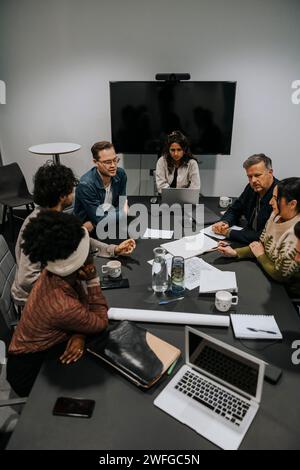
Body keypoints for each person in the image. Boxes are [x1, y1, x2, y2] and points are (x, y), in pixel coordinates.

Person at [7, 211, 109, 397]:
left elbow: (80, 306)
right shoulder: (62, 305)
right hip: (32, 371)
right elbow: (100, 321)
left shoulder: (51, 273)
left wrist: (79, 333)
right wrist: (93, 279)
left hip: (44, 348)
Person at [11, 162, 135, 305]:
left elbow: (81, 239)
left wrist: (113, 249)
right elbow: (27, 279)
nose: (73, 193)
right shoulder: (36, 226)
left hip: (51, 289)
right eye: (71, 190)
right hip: (32, 301)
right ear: (63, 196)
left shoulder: (55, 215)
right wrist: (69, 287)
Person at [217, 178, 300, 296]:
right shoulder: (275, 215)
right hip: (265, 272)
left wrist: (260, 255)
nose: (271, 202)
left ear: (292, 204)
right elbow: (259, 245)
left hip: (283, 291)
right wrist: (235, 252)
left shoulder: (296, 233)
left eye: (275, 199)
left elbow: (280, 275)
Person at [212, 154, 279, 244]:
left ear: (270, 173)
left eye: (257, 175)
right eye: (250, 176)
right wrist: (225, 222)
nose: (253, 180)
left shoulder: (280, 195)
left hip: (263, 246)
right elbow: (235, 209)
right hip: (246, 238)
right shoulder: (251, 188)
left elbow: (265, 235)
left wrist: (228, 232)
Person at [74, 141, 128, 225]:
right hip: (88, 228)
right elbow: (99, 219)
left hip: (111, 221)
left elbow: (121, 202)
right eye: (107, 162)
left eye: (115, 160)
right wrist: (122, 213)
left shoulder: (120, 174)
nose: (113, 165)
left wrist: (121, 211)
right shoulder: (86, 185)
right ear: (95, 162)